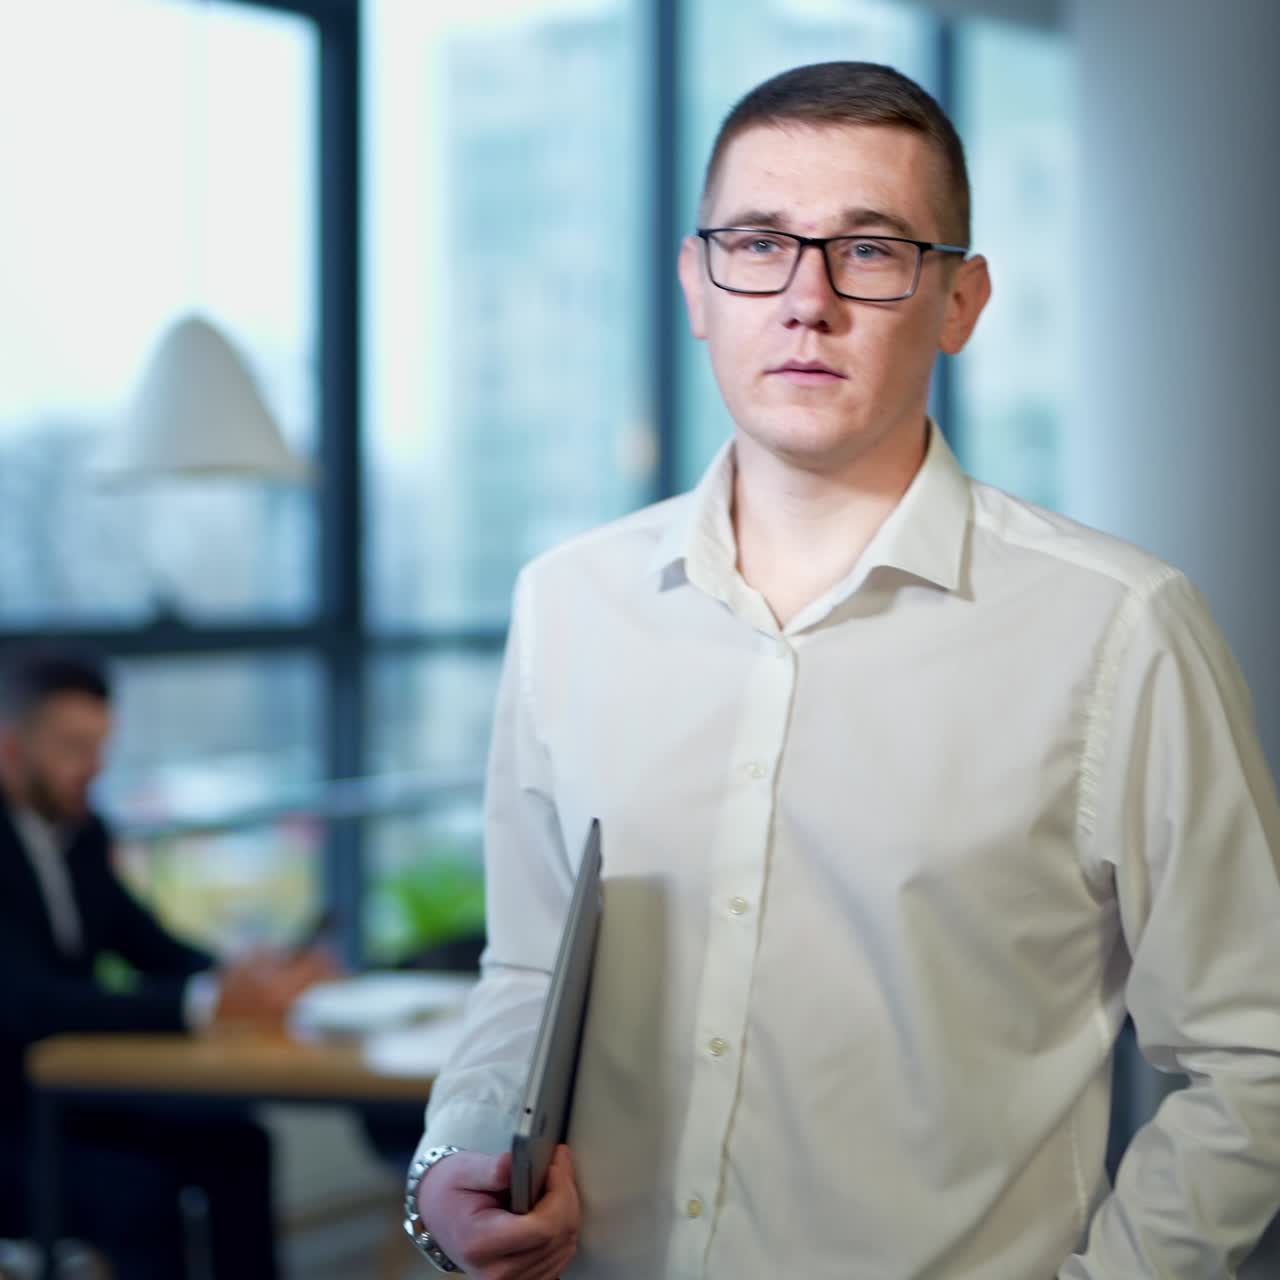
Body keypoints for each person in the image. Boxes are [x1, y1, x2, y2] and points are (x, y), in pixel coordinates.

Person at [405, 61, 1280, 1279]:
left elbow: (1252, 1051)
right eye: (757, 243)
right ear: (697, 286)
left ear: (960, 300)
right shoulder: (568, 603)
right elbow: (526, 970)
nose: (804, 300)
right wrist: (448, 1160)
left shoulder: (1120, 628)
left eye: (868, 251)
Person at [0, 648, 334, 1280]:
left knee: (238, 1141)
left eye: (101, 747)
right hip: (13, 1120)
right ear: (10, 749)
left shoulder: (80, 831)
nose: (93, 768)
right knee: (139, 1193)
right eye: (74, 748)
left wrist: (245, 979)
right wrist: (203, 1002)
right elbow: (30, 1003)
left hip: (76, 1094)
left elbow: (148, 945)